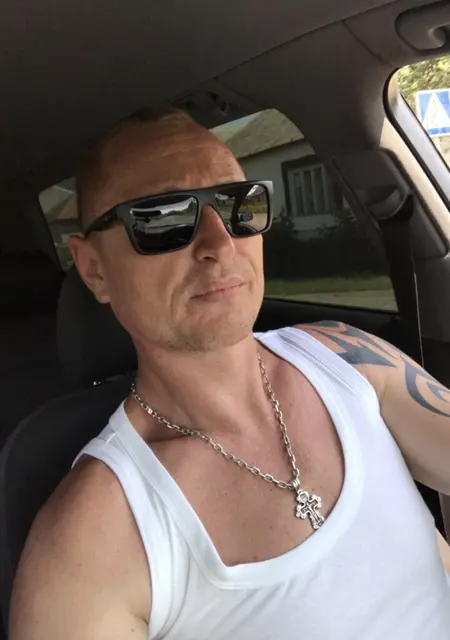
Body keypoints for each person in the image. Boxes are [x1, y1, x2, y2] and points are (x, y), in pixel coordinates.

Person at [9, 107, 450, 640]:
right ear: (94, 269)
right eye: (164, 218)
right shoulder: (92, 539)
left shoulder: (347, 355)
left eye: (239, 205)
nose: (221, 244)